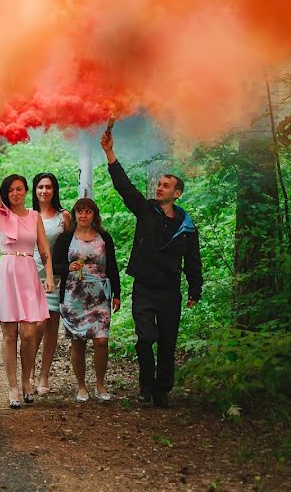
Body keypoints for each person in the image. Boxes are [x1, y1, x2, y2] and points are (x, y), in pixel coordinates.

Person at [101, 130, 203, 408]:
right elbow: (124, 187)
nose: (160, 188)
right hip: (144, 288)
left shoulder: (186, 225)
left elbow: (193, 260)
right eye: (159, 184)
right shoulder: (145, 210)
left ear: (177, 193)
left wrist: (195, 288)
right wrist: (111, 154)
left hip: (170, 291)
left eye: (166, 185)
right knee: (146, 337)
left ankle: (162, 390)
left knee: (168, 341)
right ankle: (146, 386)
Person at [0, 149, 53, 408]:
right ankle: (12, 388)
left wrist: (50, 277)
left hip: (29, 271)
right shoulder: (1, 214)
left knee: (30, 332)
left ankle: (27, 379)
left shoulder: (34, 216)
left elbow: (44, 249)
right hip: (7, 270)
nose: (15, 193)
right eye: (11, 190)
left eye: (20, 189)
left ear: (25, 191)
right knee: (9, 333)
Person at [51, 198, 121, 403]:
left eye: (88, 211)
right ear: (74, 215)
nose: (83, 215)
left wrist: (117, 293)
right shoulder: (66, 238)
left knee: (101, 341)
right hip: (73, 297)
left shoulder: (104, 237)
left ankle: (100, 384)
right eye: (80, 211)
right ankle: (81, 386)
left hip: (99, 295)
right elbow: (54, 265)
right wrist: (68, 267)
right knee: (78, 342)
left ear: (94, 215)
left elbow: (113, 266)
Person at [31, 172, 71, 395]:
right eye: (40, 187)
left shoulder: (63, 216)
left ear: (54, 190)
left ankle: (44, 375)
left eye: (48, 187)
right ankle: (28, 371)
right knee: (34, 326)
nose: (44, 191)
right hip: (29, 274)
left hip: (53, 276)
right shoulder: (28, 214)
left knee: (51, 324)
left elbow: (69, 247)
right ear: (35, 190)